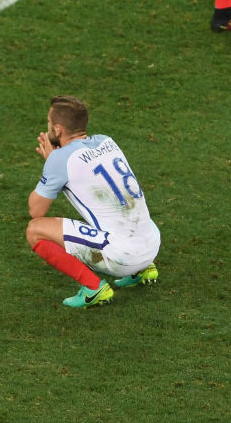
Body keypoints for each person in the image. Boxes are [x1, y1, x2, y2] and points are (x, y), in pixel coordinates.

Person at [25, 95, 160, 309]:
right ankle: (143, 269)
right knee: (120, 212)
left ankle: (93, 288)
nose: (48, 126)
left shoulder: (60, 160)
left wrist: (51, 163)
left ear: (58, 130)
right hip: (152, 243)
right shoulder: (107, 141)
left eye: (49, 123)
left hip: (122, 257)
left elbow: (36, 210)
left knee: (35, 230)